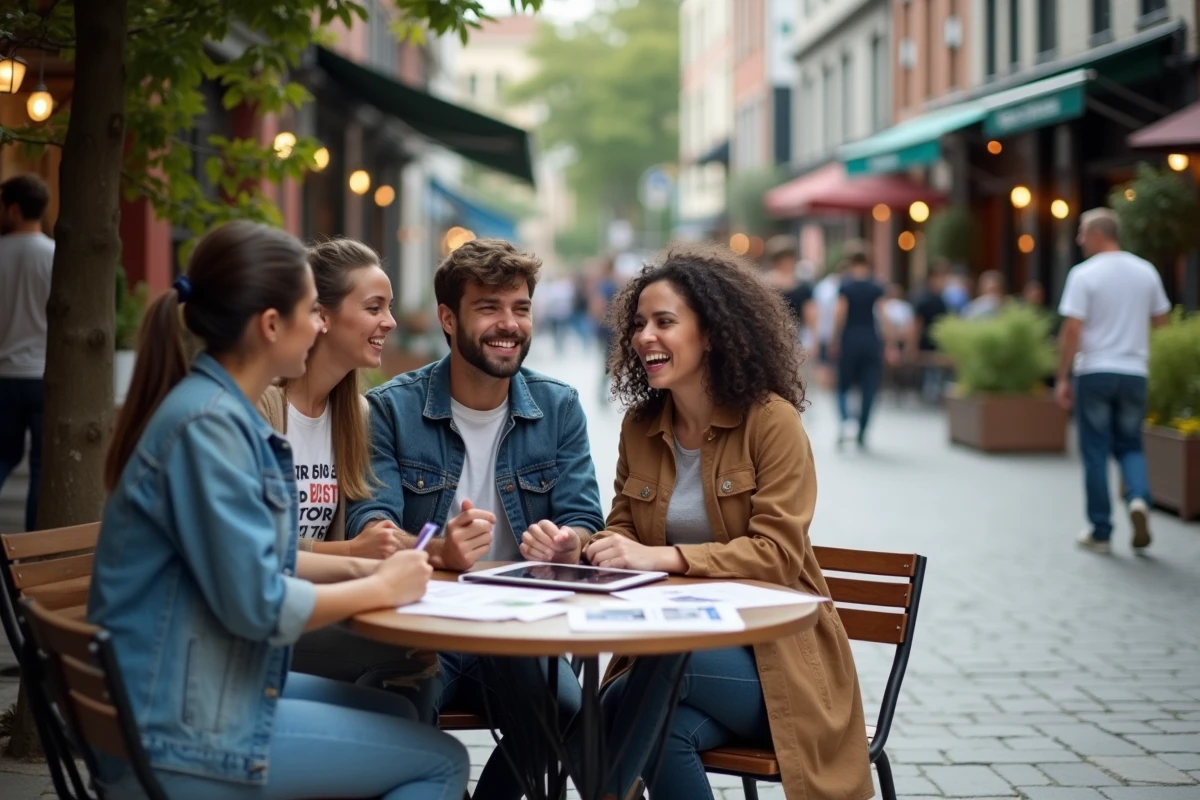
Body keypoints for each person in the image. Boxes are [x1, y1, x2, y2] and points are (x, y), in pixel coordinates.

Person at [89, 221, 469, 800]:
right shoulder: (212, 428)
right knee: (440, 761)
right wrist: (378, 586)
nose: (318, 324)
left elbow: (269, 556)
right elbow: (261, 606)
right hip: (185, 729)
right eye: (312, 310)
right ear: (271, 326)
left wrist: (372, 570)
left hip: (194, 694)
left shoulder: (215, 413)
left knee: (397, 708)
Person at [584, 244, 873, 800]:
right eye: (639, 324)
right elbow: (620, 527)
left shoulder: (771, 421)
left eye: (665, 322)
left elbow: (777, 556)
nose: (645, 336)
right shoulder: (640, 426)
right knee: (660, 732)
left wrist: (665, 557)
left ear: (711, 332)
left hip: (775, 666)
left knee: (621, 696)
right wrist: (589, 546)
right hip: (667, 658)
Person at [346, 237, 605, 800]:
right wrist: (437, 548)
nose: (508, 324)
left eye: (520, 308)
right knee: (397, 725)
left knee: (571, 718)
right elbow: (369, 524)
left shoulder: (558, 406)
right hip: (420, 636)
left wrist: (568, 543)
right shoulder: (391, 409)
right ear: (447, 316)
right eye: (489, 308)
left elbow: (585, 516)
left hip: (514, 628)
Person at [257, 237, 439, 721]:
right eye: (374, 307)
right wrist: (357, 557)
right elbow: (262, 551)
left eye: (391, 307)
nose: (391, 322)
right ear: (323, 316)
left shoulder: (355, 414)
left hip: (317, 608)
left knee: (418, 661)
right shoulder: (263, 406)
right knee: (415, 661)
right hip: (271, 621)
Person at [1055, 208, 1171, 554]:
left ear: (1098, 234)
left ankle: (1101, 531)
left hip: (1095, 371)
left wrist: (1062, 376)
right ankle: (1138, 499)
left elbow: (1072, 328)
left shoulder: (1083, 274)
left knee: (1094, 452)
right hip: (1135, 371)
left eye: (1081, 233)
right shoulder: (1145, 271)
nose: (1078, 240)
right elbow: (1162, 323)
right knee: (1131, 445)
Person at [0, 174, 54, 533]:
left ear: (15, 209)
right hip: (45, 376)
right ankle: (31, 554)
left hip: (3, 376)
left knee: (1, 459)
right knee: (41, 468)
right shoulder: (57, 255)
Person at [831, 251, 897, 449]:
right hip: (871, 341)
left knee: (843, 384)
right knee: (869, 386)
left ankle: (845, 422)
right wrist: (890, 344)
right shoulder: (877, 287)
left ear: (851, 264)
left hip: (849, 341)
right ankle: (862, 428)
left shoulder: (846, 286)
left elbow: (840, 314)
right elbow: (884, 317)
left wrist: (835, 339)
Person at [763, 235, 813, 350]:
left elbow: (810, 313)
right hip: (775, 335)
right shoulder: (767, 284)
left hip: (796, 335)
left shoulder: (766, 283)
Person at [913, 267, 950, 403]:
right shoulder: (925, 299)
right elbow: (917, 324)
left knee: (937, 374)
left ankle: (932, 397)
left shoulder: (942, 299)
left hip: (939, 343)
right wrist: (913, 346)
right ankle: (929, 398)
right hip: (927, 343)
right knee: (929, 373)